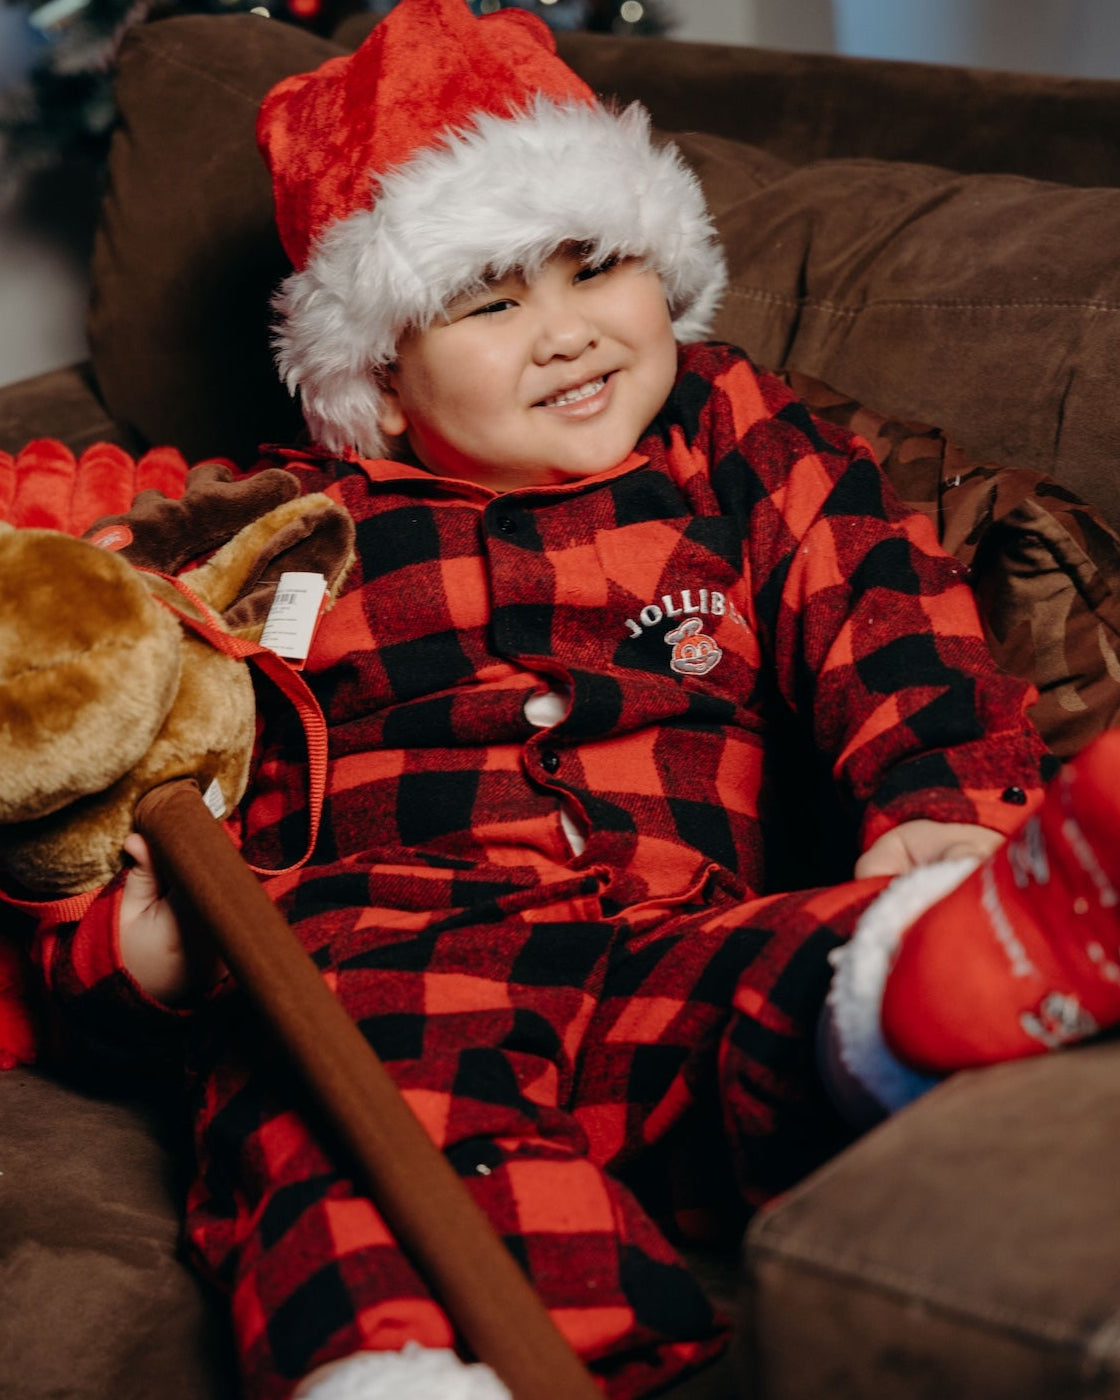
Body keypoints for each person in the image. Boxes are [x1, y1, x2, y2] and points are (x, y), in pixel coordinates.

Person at [21, 1, 1120, 1398]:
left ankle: (951, 959)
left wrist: (942, 810)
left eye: (597, 267)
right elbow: (108, 775)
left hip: (671, 942)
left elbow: (881, 611)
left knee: (795, 984)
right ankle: (405, 1370)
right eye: (489, 302)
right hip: (390, 955)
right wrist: (127, 955)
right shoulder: (284, 539)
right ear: (384, 382)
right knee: (342, 1121)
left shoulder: (732, 441)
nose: (568, 334)